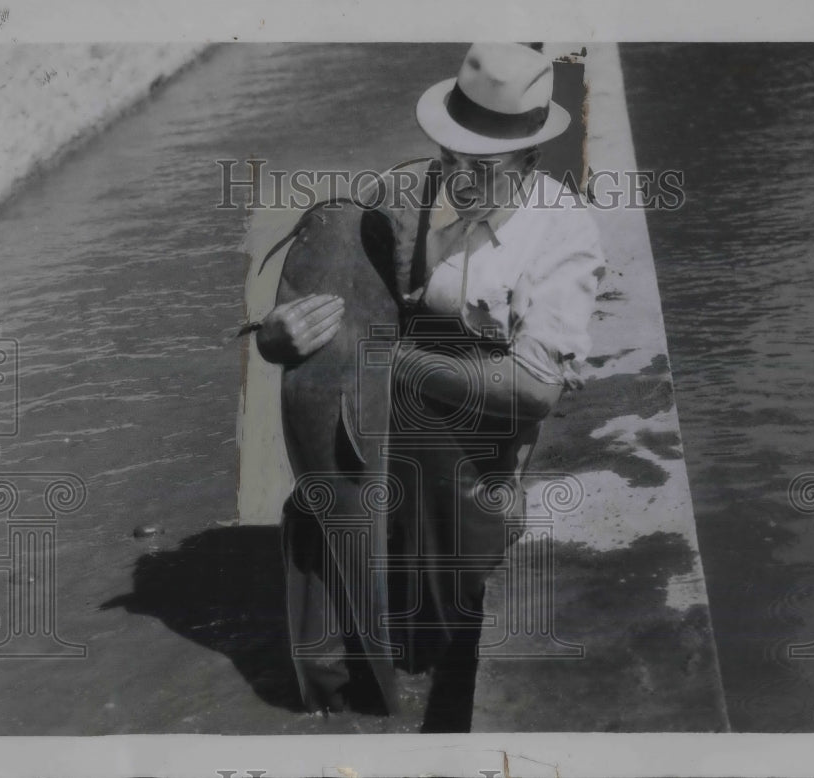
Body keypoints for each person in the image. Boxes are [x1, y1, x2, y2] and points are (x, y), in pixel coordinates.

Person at [252, 42, 605, 731]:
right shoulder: (402, 195)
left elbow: (535, 391)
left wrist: (391, 364)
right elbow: (315, 317)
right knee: (318, 503)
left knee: (438, 636)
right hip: (384, 399)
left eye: (482, 166)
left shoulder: (564, 233)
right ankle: (331, 691)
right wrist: (275, 334)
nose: (458, 179)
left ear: (531, 160)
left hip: (478, 426)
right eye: (449, 159)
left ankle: (418, 650)